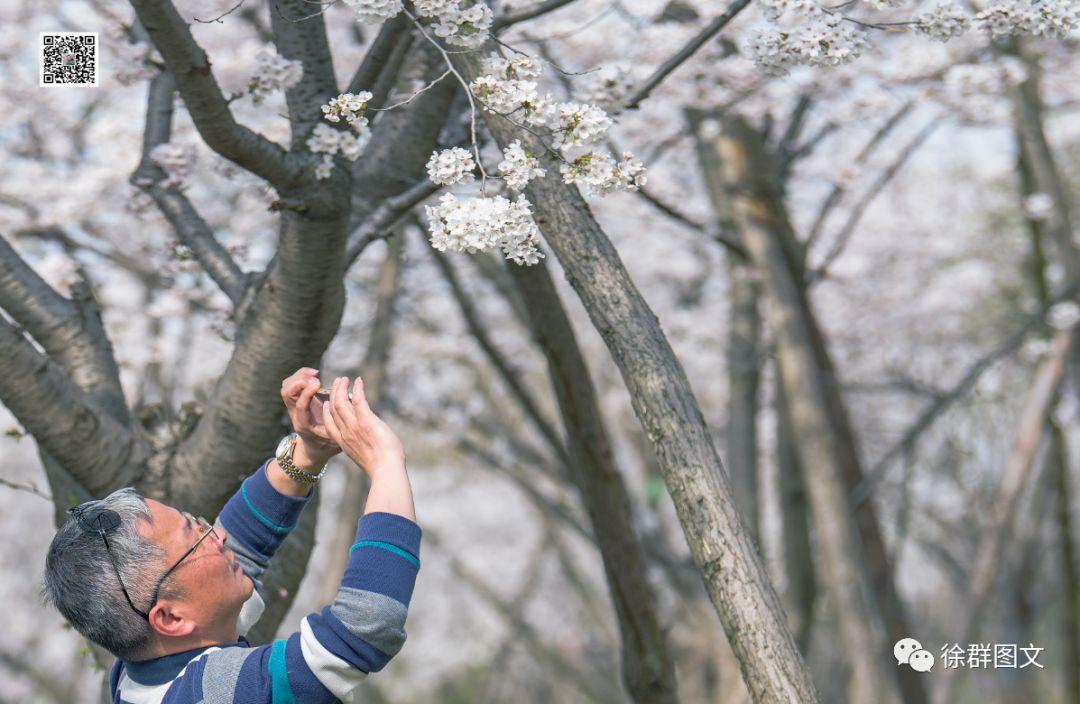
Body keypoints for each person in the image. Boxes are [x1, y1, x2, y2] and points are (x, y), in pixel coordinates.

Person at [42, 368, 420, 703]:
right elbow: (361, 630)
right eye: (197, 539)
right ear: (171, 619)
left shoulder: (139, 669)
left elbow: (242, 543)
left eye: (197, 523)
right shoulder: (213, 694)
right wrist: (385, 462)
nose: (217, 537)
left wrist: (306, 452)